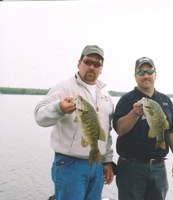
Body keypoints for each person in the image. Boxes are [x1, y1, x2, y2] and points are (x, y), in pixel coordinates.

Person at [34, 45, 115, 200]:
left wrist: (107, 161)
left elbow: (106, 131)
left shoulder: (105, 95)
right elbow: (39, 115)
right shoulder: (64, 87)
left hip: (97, 165)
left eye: (97, 64)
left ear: (101, 68)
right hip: (70, 165)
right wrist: (59, 108)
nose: (92, 67)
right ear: (79, 63)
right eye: (88, 62)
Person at [113, 57, 173, 200]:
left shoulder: (166, 101)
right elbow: (119, 129)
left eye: (150, 71)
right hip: (131, 168)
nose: (146, 75)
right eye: (141, 72)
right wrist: (134, 113)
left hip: (158, 167)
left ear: (155, 74)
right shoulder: (126, 100)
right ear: (135, 76)